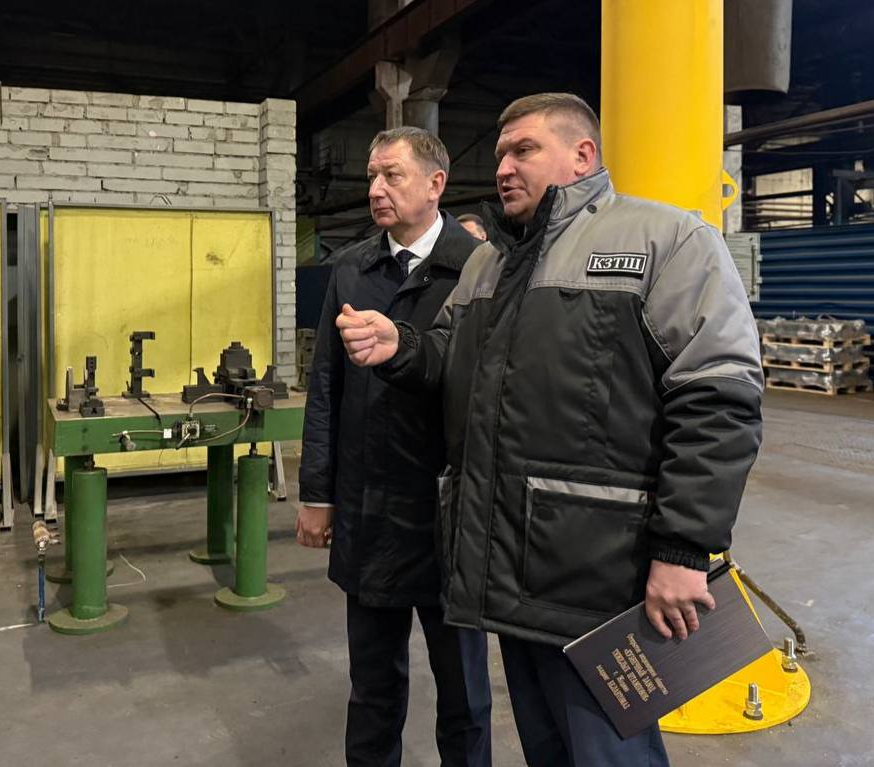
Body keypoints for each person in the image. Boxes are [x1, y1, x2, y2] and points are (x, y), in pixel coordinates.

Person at [335, 93, 763, 767]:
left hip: (603, 577)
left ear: (582, 155)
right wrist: (403, 347)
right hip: (513, 567)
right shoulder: (489, 264)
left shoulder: (664, 241)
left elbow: (718, 397)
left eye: (524, 150)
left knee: (608, 752)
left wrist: (683, 549)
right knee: (547, 748)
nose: (503, 167)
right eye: (501, 153)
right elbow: (450, 357)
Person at [297, 126, 492, 767]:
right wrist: (318, 493)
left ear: (436, 184)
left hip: (450, 515)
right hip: (370, 507)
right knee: (373, 686)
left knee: (464, 693)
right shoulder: (353, 267)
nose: (377, 189)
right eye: (372, 177)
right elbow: (326, 386)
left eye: (392, 176)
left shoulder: (479, 267)